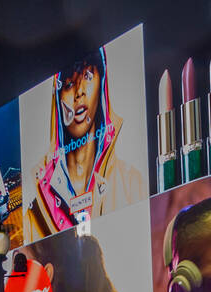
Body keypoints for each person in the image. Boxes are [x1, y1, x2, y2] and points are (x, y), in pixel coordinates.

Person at [26, 47, 145, 239]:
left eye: (88, 76)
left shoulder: (132, 183)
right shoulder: (35, 212)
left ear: (102, 82)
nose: (79, 92)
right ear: (57, 98)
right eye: (68, 84)